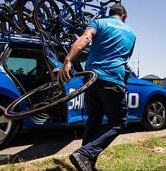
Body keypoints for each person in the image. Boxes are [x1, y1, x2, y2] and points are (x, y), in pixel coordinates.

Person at [57, 3, 136, 171]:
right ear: (124, 16)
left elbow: (85, 38)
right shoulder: (131, 33)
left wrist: (68, 60)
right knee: (118, 122)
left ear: (110, 14)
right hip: (113, 78)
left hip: (91, 79)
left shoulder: (99, 23)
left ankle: (86, 163)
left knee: (93, 121)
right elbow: (125, 57)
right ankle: (85, 154)